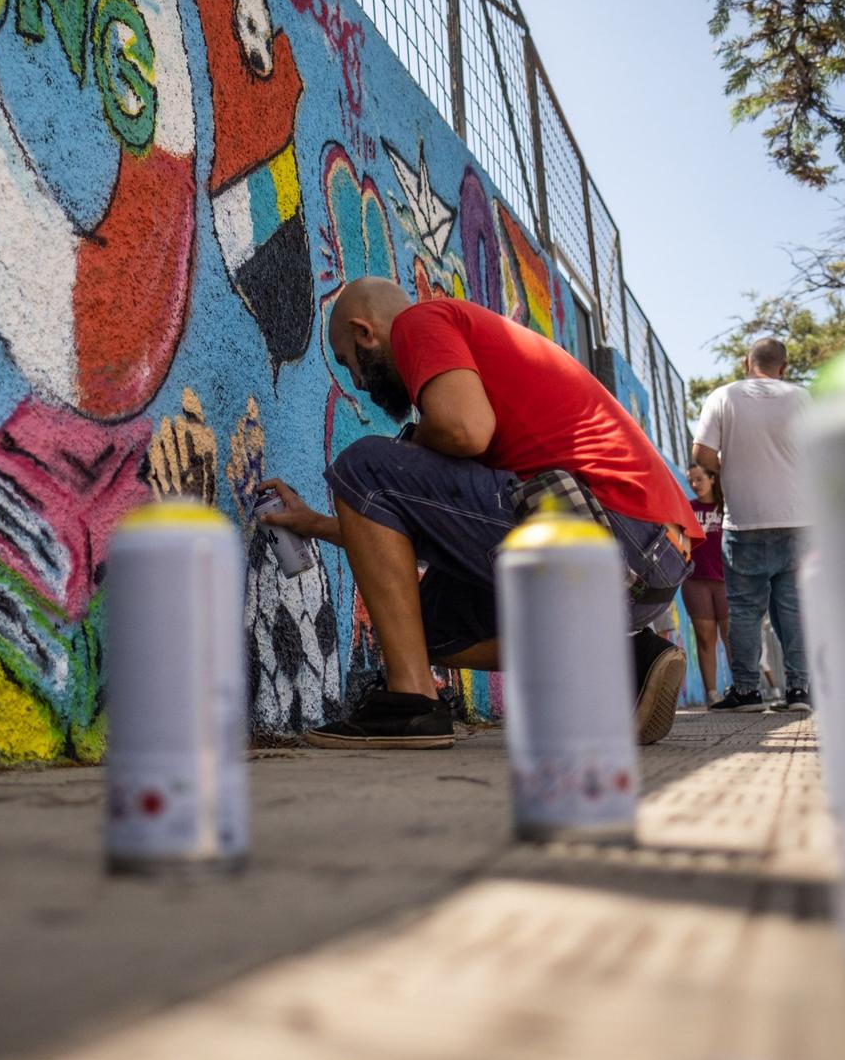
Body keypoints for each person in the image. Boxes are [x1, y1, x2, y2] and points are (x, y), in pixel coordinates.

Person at [258, 279, 700, 749]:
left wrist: (407, 447)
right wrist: (315, 526)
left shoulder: (421, 321)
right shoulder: (475, 363)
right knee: (423, 626)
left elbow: (465, 430)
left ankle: (410, 704)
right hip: (650, 564)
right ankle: (624, 657)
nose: (360, 385)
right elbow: (402, 530)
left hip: (619, 533)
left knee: (365, 464)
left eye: (349, 363)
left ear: (364, 331)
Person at [693, 337, 811, 714]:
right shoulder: (801, 398)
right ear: (785, 366)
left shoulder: (724, 396)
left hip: (744, 521)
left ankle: (746, 692)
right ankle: (799, 691)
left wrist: (731, 469)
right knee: (793, 607)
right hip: (796, 518)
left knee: (744, 608)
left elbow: (701, 453)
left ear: (747, 363)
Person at [682, 464, 728, 706]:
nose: (695, 484)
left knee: (732, 635)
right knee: (705, 636)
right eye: (691, 480)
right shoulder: (688, 510)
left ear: (712, 478)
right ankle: (712, 694)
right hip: (696, 581)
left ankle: (743, 688)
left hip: (726, 580)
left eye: (699, 479)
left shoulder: (726, 508)